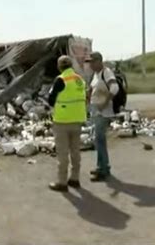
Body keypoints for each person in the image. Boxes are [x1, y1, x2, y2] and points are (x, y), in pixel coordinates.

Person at [47, 55, 87, 192]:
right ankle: (75, 178)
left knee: (63, 153)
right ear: (71, 65)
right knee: (75, 151)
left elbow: (50, 100)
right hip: (78, 119)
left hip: (62, 120)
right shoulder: (80, 80)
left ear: (59, 66)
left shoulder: (61, 80)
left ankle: (62, 182)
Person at [85, 52, 119, 182]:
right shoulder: (95, 75)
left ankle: (103, 169)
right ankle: (102, 166)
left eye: (92, 62)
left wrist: (104, 103)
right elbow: (94, 89)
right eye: (89, 62)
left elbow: (114, 88)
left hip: (103, 112)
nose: (90, 65)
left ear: (99, 61)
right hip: (96, 111)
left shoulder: (107, 72)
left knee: (99, 140)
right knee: (98, 140)